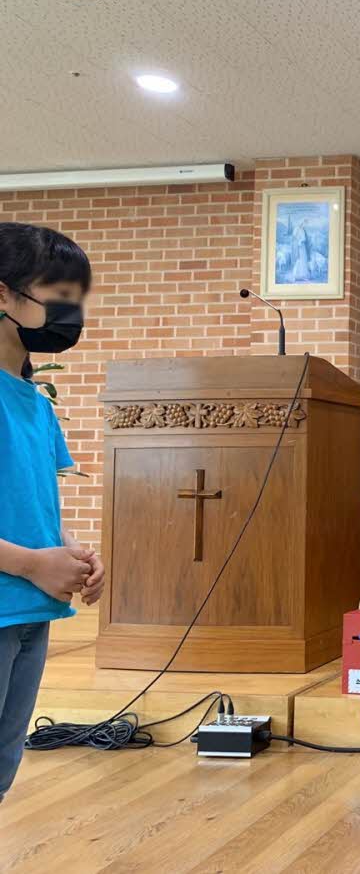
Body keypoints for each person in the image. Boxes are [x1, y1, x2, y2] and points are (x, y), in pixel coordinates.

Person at [0, 223, 105, 803]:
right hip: (10, 595)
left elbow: (36, 502)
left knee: (2, 770)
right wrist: (31, 564)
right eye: (57, 294)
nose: (69, 312)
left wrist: (73, 555)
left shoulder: (37, 405)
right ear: (4, 293)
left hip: (28, 612)